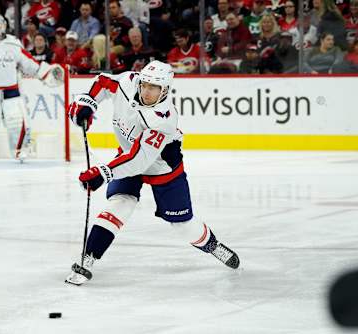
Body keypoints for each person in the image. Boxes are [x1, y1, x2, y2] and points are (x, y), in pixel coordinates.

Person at [65, 60, 240, 286]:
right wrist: (86, 103)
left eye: (153, 88)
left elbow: (140, 160)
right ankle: (89, 256)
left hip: (161, 166)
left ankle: (212, 246)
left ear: (165, 90)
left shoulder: (163, 118)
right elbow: (103, 81)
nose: (146, 91)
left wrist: (104, 173)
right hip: (128, 155)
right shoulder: (129, 82)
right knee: (120, 203)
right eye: (145, 85)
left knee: (183, 224)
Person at [0, 13, 64, 163]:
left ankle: (20, 150)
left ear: (4, 26)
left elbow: (29, 62)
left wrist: (45, 73)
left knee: (16, 121)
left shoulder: (13, 43)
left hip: (11, 90)